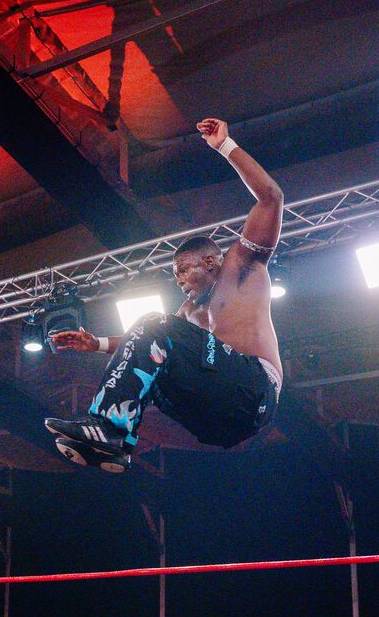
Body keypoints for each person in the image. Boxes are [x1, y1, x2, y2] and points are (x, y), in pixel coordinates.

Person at [45, 117, 282, 471]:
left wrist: (225, 147)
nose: (179, 281)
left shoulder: (241, 266)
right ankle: (116, 442)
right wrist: (96, 343)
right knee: (152, 355)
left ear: (209, 260)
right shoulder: (186, 315)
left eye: (183, 271)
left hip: (254, 390)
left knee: (155, 324)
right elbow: (140, 343)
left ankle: (109, 427)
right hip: (218, 424)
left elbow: (271, 198)